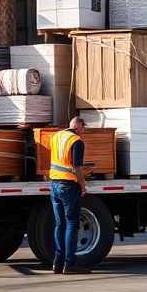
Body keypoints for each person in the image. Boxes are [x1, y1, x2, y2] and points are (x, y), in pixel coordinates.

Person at [49, 116, 90, 274]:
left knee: (60, 225)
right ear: (79, 126)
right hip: (68, 186)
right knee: (72, 224)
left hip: (54, 185)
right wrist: (83, 185)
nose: (83, 132)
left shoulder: (56, 136)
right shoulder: (76, 141)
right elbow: (77, 168)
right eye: (83, 129)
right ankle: (70, 264)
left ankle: (57, 263)